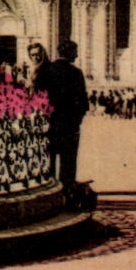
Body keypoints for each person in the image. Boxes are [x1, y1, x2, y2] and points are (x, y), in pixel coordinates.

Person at [30, 41, 91, 203]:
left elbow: (37, 98)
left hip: (49, 123)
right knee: (68, 163)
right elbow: (84, 103)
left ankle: (49, 194)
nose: (77, 56)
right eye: (75, 52)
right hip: (69, 126)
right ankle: (66, 195)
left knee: (49, 160)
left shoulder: (45, 70)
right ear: (69, 53)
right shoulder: (76, 73)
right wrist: (76, 120)